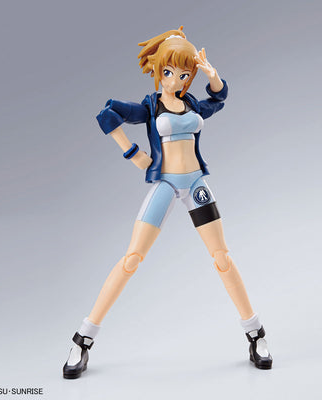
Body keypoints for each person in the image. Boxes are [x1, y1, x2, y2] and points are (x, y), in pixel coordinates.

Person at [63, 26, 273, 379]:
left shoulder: (192, 104)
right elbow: (108, 114)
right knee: (132, 258)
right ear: (159, 70)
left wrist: (212, 75)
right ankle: (83, 338)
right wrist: (134, 154)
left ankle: (256, 334)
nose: (177, 79)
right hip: (166, 185)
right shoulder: (150, 106)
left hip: (196, 183)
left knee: (222, 258)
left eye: (185, 73)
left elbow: (219, 99)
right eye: (170, 72)